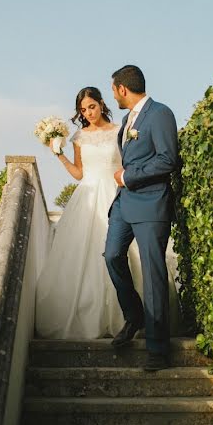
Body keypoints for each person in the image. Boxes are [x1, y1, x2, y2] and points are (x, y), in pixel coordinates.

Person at [34, 86, 179, 340]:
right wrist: (60, 156)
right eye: (83, 110)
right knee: (100, 256)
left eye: (92, 106)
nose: (88, 113)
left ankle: (142, 318)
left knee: (131, 255)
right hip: (88, 196)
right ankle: (109, 316)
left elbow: (129, 164)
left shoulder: (120, 130)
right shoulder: (79, 137)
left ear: (101, 104)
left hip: (119, 193)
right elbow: (79, 173)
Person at [105, 65, 180, 372]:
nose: (114, 95)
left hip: (150, 203)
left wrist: (128, 176)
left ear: (123, 89)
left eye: (113, 90)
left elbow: (168, 159)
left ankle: (158, 349)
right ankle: (134, 314)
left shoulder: (160, 113)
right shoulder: (126, 120)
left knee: (152, 274)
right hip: (124, 204)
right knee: (111, 256)